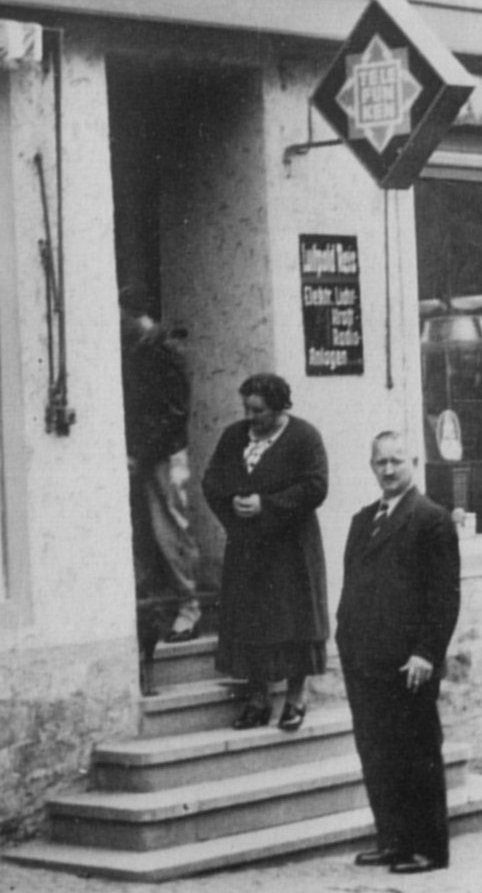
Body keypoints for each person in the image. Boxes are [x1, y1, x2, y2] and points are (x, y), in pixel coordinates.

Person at [336, 430, 461, 874]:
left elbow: (444, 596)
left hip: (409, 665)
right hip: (366, 662)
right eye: (380, 462)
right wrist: (344, 642)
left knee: (417, 756)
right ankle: (392, 840)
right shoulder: (363, 519)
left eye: (397, 461)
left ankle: (429, 849)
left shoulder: (431, 519)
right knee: (377, 754)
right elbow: (354, 588)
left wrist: (426, 653)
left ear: (413, 463)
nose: (388, 470)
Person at [202, 373, 329, 731]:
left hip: (292, 549)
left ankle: (294, 699)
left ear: (278, 408)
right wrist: (234, 508)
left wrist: (267, 505)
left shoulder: (304, 437)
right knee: (250, 622)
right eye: (246, 408)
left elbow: (316, 486)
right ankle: (257, 701)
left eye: (258, 410)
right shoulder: (234, 437)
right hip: (248, 549)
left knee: (295, 623)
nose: (250, 416)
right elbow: (212, 481)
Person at [121, 307, 203, 661]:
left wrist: (141, 454)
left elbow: (173, 414)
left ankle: (190, 605)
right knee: (145, 529)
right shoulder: (133, 349)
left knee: (170, 528)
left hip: (164, 456)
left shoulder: (163, 351)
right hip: (141, 454)